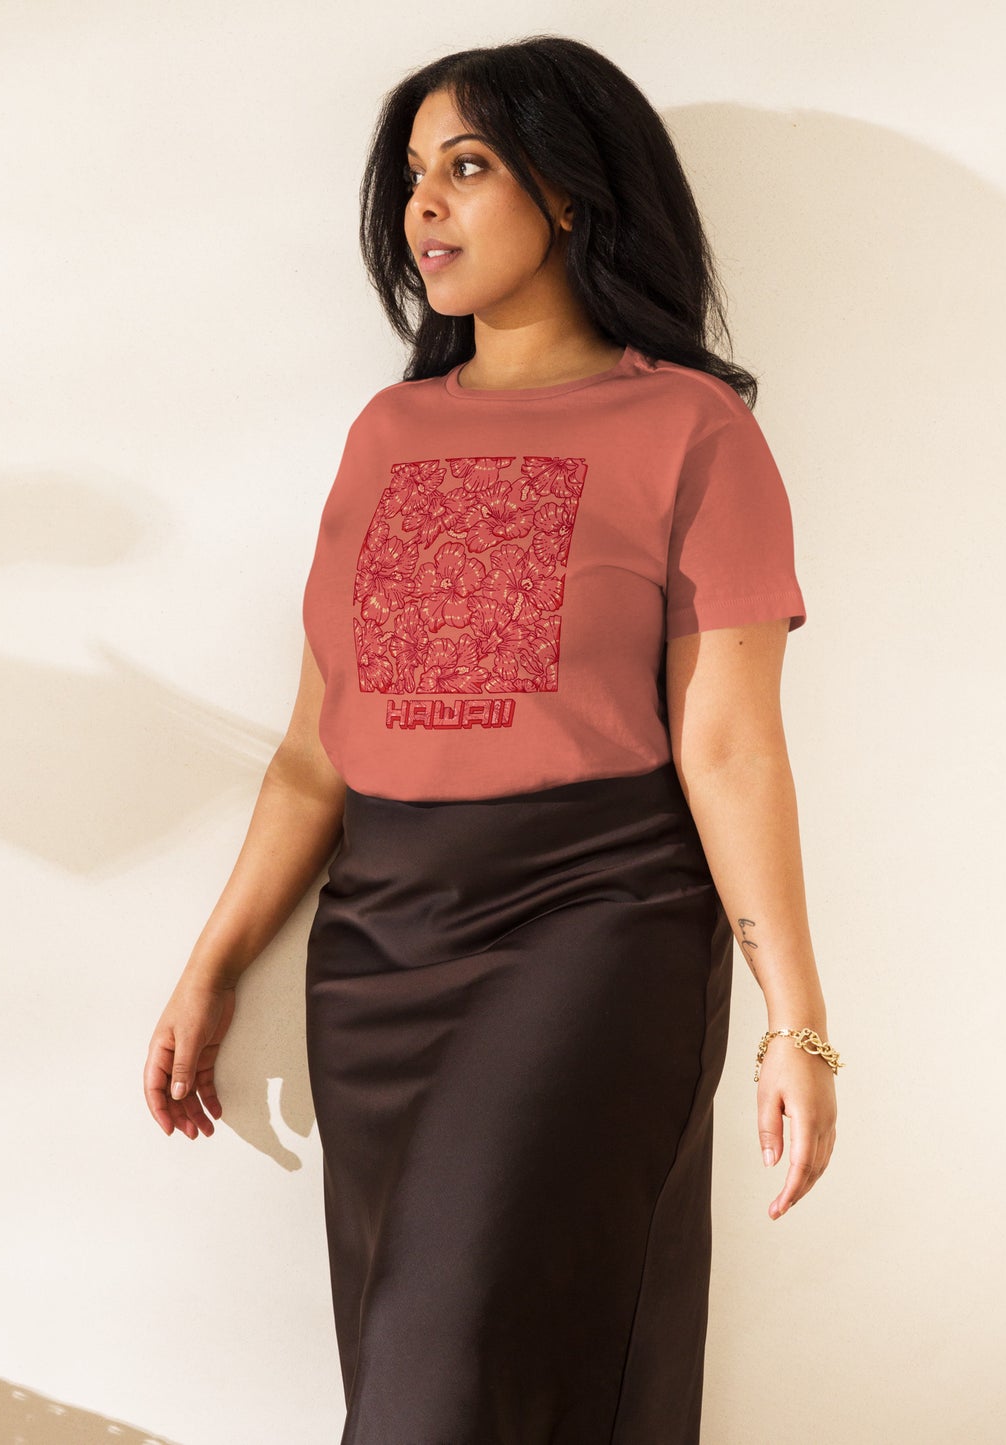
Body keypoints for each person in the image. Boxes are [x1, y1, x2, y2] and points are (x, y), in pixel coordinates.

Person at [143, 34, 840, 1444]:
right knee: (433, 1368)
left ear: (569, 192)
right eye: (412, 173)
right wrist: (211, 966)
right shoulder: (387, 433)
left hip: (592, 929)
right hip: (378, 946)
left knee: (442, 1377)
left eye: (467, 167)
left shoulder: (692, 429)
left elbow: (728, 751)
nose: (424, 205)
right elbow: (314, 753)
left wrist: (798, 1024)